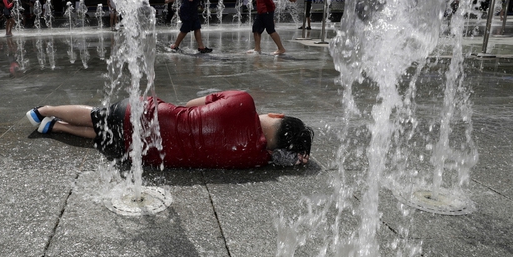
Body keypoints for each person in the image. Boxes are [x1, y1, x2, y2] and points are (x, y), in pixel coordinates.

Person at [25, 90, 313, 168]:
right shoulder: (256, 158)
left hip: (147, 116)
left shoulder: (243, 101)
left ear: (277, 114)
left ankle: (44, 111)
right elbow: (273, 157)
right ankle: (57, 128)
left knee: (97, 117)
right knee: (107, 136)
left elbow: (190, 103)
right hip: (145, 153)